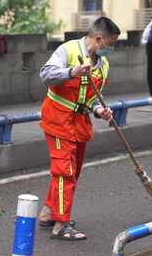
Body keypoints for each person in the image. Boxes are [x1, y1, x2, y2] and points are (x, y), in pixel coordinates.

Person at [37, 17, 120, 241]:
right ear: (99, 39)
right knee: (65, 172)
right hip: (58, 119)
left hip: (80, 122)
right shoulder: (69, 50)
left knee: (72, 171)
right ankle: (61, 224)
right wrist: (72, 72)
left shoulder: (103, 64)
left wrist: (99, 111)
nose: (111, 49)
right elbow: (45, 75)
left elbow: (90, 97)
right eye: (110, 44)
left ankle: (48, 213)